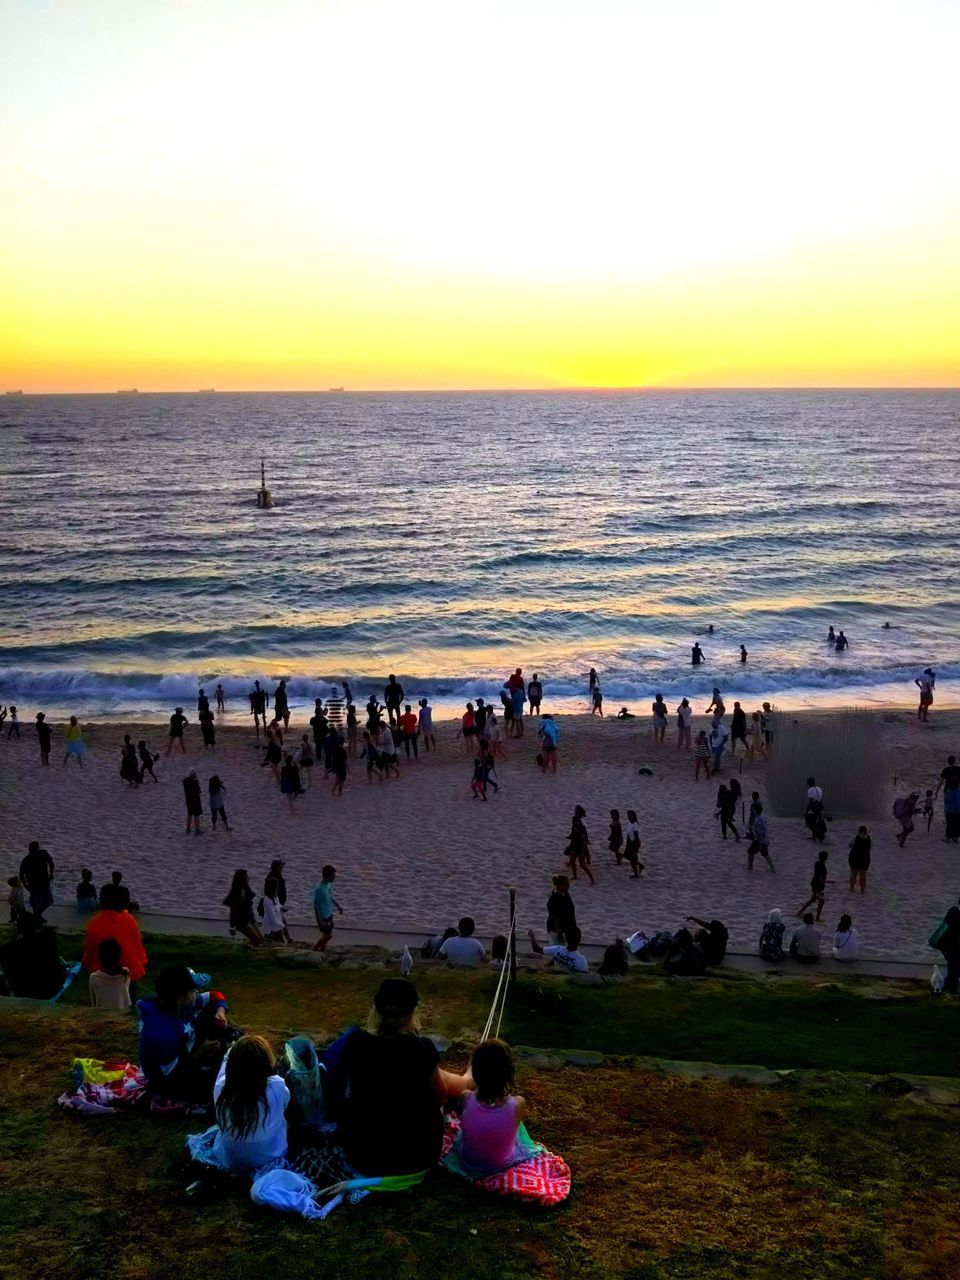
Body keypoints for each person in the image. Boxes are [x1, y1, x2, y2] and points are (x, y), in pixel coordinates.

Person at [336, 979, 472, 1176]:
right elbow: (440, 1096)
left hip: (362, 1154)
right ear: (411, 1012)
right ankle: (469, 1077)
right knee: (442, 1088)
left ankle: (467, 1078)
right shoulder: (420, 1048)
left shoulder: (355, 1042)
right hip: (414, 1157)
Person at [192, 1036, 291, 1173]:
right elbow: (284, 1105)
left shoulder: (221, 1087)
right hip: (269, 1157)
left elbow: (225, 1067)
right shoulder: (277, 1086)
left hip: (229, 1159)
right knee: (279, 1117)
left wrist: (231, 1052)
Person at [138, 965, 232, 1101]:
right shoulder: (160, 1034)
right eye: (193, 990)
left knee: (212, 1010)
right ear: (180, 998)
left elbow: (215, 996)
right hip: (170, 1085)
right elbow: (174, 1075)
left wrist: (220, 1012)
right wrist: (201, 1051)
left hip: (187, 1055)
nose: (197, 992)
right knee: (226, 1084)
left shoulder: (178, 1005)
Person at [451, 1039, 527, 1177]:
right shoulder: (518, 1103)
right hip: (503, 1163)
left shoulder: (465, 1098)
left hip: (469, 1161)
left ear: (475, 1073)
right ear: (508, 1073)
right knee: (518, 1128)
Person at [82, 883, 148, 988]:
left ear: (103, 901)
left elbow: (90, 949)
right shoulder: (130, 920)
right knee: (129, 999)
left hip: (103, 970)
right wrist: (142, 961)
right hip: (129, 969)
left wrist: (86, 964)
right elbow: (137, 945)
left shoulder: (94, 923)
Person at [0, 912, 67, 998]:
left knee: (5, 967)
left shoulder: (11, 948)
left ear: (18, 929)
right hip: (53, 987)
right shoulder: (48, 938)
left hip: (25, 991)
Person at [88, 937, 132, 1011]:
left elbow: (94, 1003)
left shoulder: (94, 978)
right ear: (118, 956)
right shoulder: (126, 974)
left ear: (100, 957)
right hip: (124, 1017)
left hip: (103, 1017)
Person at [223, 870, 262, 946]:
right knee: (257, 940)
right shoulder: (242, 892)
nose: (249, 878)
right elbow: (233, 910)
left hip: (245, 920)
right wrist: (232, 925)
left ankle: (246, 948)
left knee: (257, 939)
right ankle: (244, 950)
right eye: (247, 876)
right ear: (243, 878)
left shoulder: (245, 890)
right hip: (241, 922)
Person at [312, 864, 344, 952]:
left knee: (325, 935)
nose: (334, 878)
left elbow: (330, 897)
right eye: (333, 876)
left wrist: (338, 906)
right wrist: (319, 920)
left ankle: (322, 950)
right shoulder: (319, 889)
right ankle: (314, 950)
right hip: (323, 916)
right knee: (328, 936)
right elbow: (316, 905)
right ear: (328, 876)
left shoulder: (328, 885)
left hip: (329, 914)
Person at [19, 841, 54, 919]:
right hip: (34, 885)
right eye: (32, 849)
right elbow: (21, 874)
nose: (33, 851)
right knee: (36, 905)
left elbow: (51, 862)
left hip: (44, 883)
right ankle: (37, 917)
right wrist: (26, 886)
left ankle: (37, 915)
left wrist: (51, 873)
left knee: (49, 901)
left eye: (34, 849)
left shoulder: (43, 853)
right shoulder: (26, 860)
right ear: (29, 849)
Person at [796, 850, 831, 922]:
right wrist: (829, 881)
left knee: (813, 899)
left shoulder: (817, 863)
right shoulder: (823, 867)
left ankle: (799, 912)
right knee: (821, 902)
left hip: (814, 883)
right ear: (826, 858)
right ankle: (817, 918)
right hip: (818, 886)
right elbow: (821, 880)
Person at [933, 906, 960, 994]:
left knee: (953, 969)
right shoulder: (955, 913)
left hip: (946, 945)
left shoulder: (953, 911)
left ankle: (946, 988)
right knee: (954, 969)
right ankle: (950, 990)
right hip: (952, 946)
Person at [566, 805, 594, 884]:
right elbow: (572, 828)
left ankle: (592, 879)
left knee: (582, 864)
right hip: (574, 843)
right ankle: (575, 876)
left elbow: (584, 839)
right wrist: (570, 836)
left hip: (580, 845)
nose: (575, 813)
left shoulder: (582, 826)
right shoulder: (574, 819)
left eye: (577, 811)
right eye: (575, 811)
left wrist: (583, 850)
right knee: (572, 862)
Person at [546, 874, 576, 945]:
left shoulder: (565, 894)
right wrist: (559, 934)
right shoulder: (554, 898)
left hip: (566, 928)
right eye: (566, 884)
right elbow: (555, 917)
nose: (569, 886)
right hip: (556, 930)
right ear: (559, 885)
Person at [259, 878, 290, 943]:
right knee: (269, 942)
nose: (278, 888)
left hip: (276, 924)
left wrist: (281, 908)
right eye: (277, 886)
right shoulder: (267, 900)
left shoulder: (275, 897)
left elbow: (277, 906)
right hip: (271, 926)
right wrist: (282, 925)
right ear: (273, 888)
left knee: (280, 941)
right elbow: (271, 916)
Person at [747, 802, 774, 871]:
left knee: (750, 852)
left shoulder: (757, 821)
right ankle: (773, 868)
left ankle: (750, 867)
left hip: (759, 840)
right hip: (764, 839)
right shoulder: (763, 817)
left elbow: (758, 833)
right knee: (765, 854)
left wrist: (759, 843)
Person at [848, 826, 871, 893]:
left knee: (853, 874)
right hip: (865, 858)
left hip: (855, 858)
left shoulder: (856, 838)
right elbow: (871, 846)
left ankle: (852, 889)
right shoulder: (868, 838)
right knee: (863, 876)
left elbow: (850, 845)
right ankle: (862, 890)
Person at [623, 809, 644, 878]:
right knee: (627, 855)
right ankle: (640, 865)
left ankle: (636, 874)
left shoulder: (635, 824)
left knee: (632, 859)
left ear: (634, 816)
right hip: (629, 841)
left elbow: (636, 836)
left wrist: (635, 845)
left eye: (630, 815)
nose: (629, 817)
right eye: (628, 815)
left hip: (634, 843)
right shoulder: (630, 823)